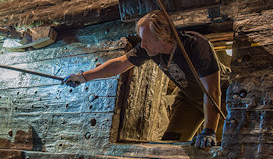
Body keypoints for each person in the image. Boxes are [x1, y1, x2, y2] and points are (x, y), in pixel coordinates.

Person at [63, 10, 230, 148]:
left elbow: (212, 92)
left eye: (146, 40)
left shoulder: (196, 46)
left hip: (221, 99)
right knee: (171, 145)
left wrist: (208, 130)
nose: (142, 45)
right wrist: (83, 77)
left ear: (163, 37)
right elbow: (119, 64)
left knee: (217, 147)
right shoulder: (150, 49)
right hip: (190, 98)